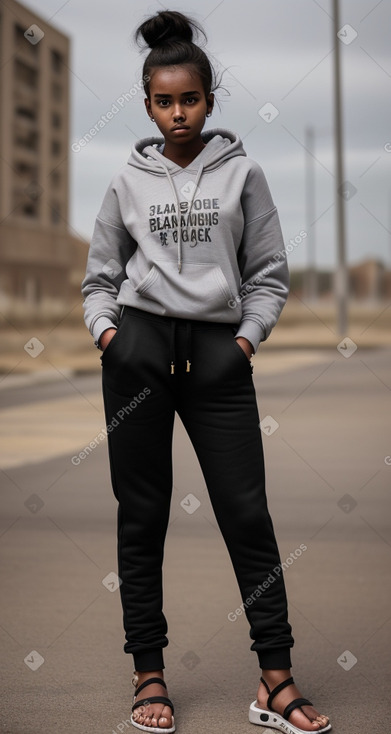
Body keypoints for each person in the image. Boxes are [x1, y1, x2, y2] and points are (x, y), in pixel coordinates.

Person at [81, 10, 331, 734]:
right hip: (139, 357)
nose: (177, 112)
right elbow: (99, 278)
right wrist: (110, 336)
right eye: (163, 101)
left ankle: (275, 683)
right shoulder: (127, 179)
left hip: (219, 359)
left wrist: (243, 342)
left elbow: (269, 273)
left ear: (208, 100)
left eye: (189, 99)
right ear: (148, 103)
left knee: (246, 513)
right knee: (143, 516)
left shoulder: (242, 173)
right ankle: (147, 672)